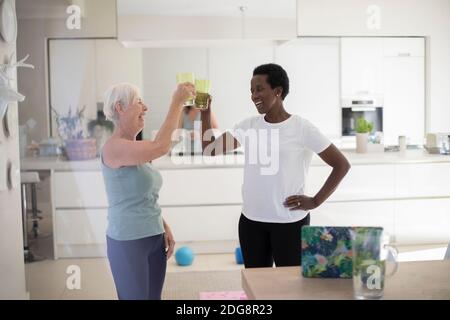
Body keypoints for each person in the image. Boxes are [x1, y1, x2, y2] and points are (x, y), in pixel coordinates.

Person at [201, 63, 351, 268]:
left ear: (278, 91)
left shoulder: (301, 128)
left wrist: (315, 201)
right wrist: (205, 112)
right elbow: (210, 149)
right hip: (251, 222)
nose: (254, 95)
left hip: (289, 222)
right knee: (257, 286)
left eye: (259, 89)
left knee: (289, 288)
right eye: (252, 91)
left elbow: (341, 165)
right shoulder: (249, 126)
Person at [101, 82, 195, 299]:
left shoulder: (135, 149)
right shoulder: (114, 147)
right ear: (120, 108)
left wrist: (162, 225)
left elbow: (144, 196)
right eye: (139, 102)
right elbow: (161, 146)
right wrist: (177, 101)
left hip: (153, 237)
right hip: (128, 242)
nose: (146, 108)